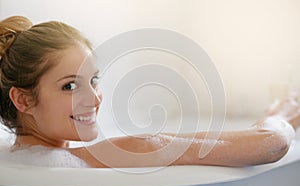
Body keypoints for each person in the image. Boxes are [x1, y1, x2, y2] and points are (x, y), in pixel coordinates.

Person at [0, 16, 300, 168]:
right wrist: (281, 115)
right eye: (70, 86)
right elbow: (271, 145)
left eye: (94, 80)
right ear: (23, 99)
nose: (94, 99)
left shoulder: (17, 163)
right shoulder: (106, 155)